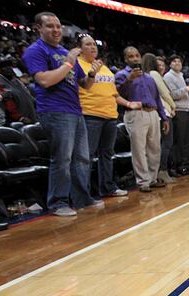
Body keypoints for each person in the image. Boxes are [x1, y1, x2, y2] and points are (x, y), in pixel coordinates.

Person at [23, 11, 104, 216]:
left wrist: (93, 73)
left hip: (75, 110)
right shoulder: (36, 50)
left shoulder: (64, 51)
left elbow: (84, 85)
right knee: (62, 159)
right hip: (55, 110)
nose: (56, 30)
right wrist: (68, 62)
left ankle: (81, 198)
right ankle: (58, 202)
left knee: (83, 158)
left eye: (58, 26)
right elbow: (44, 80)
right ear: (38, 29)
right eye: (50, 26)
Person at [77, 34, 138, 199]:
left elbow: (114, 94)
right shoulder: (77, 65)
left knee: (107, 154)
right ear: (79, 49)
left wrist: (128, 104)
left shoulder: (104, 68)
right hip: (90, 115)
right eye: (88, 44)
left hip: (110, 115)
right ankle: (84, 193)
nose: (93, 47)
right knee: (86, 156)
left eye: (94, 44)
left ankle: (107, 187)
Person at [115, 47, 170, 192]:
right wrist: (129, 80)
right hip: (135, 113)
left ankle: (152, 178)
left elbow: (157, 98)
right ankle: (143, 181)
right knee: (139, 149)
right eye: (131, 56)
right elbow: (118, 94)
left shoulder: (149, 78)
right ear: (126, 59)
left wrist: (164, 117)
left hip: (153, 113)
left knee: (155, 148)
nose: (134, 58)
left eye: (137, 55)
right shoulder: (121, 75)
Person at [142, 53, 176, 183]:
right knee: (166, 143)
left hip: (152, 113)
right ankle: (162, 171)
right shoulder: (154, 74)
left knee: (154, 146)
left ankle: (154, 174)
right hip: (163, 112)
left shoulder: (143, 75)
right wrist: (173, 106)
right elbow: (164, 93)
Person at [164, 55, 189, 176]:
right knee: (179, 140)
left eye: (179, 61)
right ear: (170, 64)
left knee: (186, 139)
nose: (177, 63)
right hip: (178, 110)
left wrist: (188, 99)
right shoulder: (168, 76)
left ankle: (186, 164)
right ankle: (178, 166)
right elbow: (172, 95)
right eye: (174, 61)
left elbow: (180, 93)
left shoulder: (180, 75)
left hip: (185, 109)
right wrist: (186, 90)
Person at [0, 55, 36, 125]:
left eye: (9, 65)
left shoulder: (15, 79)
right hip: (16, 122)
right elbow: (8, 103)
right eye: (4, 66)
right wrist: (20, 118)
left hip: (31, 115)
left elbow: (27, 94)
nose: (8, 68)